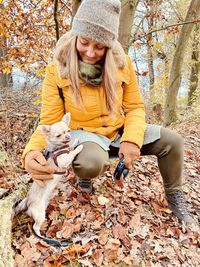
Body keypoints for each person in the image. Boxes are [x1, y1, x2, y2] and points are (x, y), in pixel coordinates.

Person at [22, 0, 194, 224]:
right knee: (90, 163)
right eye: (84, 42)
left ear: (109, 46)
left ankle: (174, 197)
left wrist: (131, 140)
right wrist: (31, 152)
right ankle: (85, 179)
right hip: (84, 134)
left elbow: (134, 107)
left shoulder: (123, 64)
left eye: (100, 46)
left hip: (117, 132)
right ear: (75, 36)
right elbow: (51, 119)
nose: (90, 52)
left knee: (174, 142)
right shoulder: (57, 68)